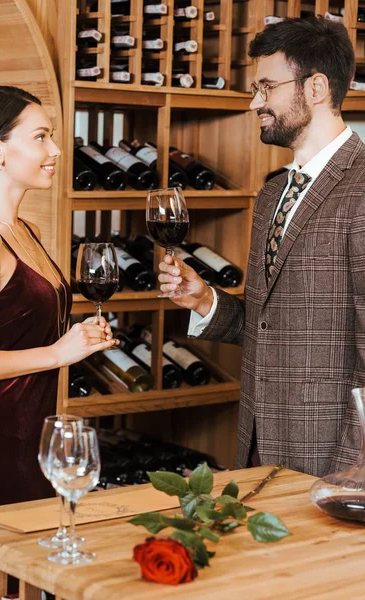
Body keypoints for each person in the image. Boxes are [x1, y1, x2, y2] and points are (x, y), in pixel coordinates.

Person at [159, 16, 365, 479]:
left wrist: (354, 472)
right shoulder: (273, 193)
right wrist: (206, 301)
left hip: (331, 461)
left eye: (267, 87)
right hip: (256, 446)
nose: (255, 102)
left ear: (316, 88)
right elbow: (272, 326)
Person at [0, 85, 119, 599]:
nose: (56, 151)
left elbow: (24, 324)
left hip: (28, 435)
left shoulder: (23, 229)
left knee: (28, 579)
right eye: (42, 137)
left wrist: (77, 339)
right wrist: (58, 353)